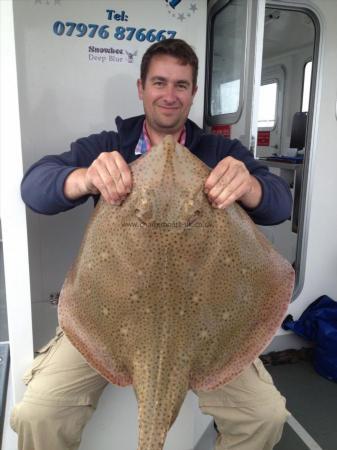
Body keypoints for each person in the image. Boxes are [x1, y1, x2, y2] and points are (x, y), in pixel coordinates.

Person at [11, 39, 292, 450]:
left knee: (265, 416)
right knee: (39, 413)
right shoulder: (108, 146)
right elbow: (35, 187)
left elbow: (279, 203)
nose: (169, 94)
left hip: (207, 320)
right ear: (141, 87)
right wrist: (86, 177)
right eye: (159, 82)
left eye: (181, 85)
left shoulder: (221, 152)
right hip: (108, 313)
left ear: (193, 93)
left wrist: (249, 185)